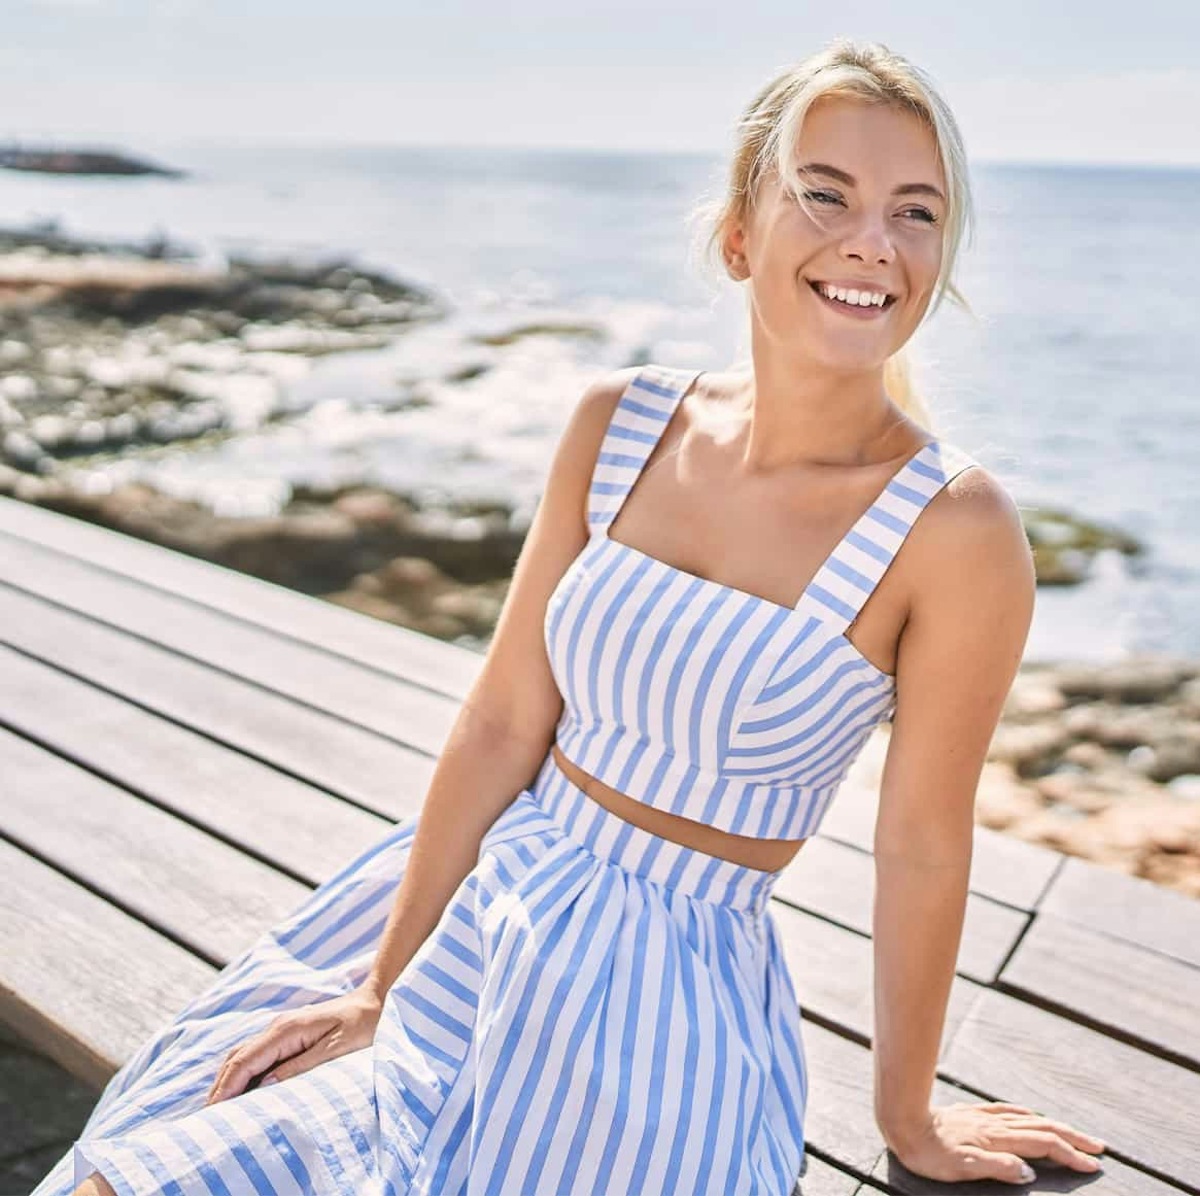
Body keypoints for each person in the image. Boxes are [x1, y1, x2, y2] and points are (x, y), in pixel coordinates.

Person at [45, 37, 1109, 1196]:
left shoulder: (955, 528)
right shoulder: (620, 424)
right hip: (466, 913)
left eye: (918, 211)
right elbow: (504, 719)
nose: (873, 241)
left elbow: (920, 843)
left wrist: (910, 1118)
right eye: (825, 192)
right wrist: (380, 982)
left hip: (657, 1007)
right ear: (738, 233)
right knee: (139, 1170)